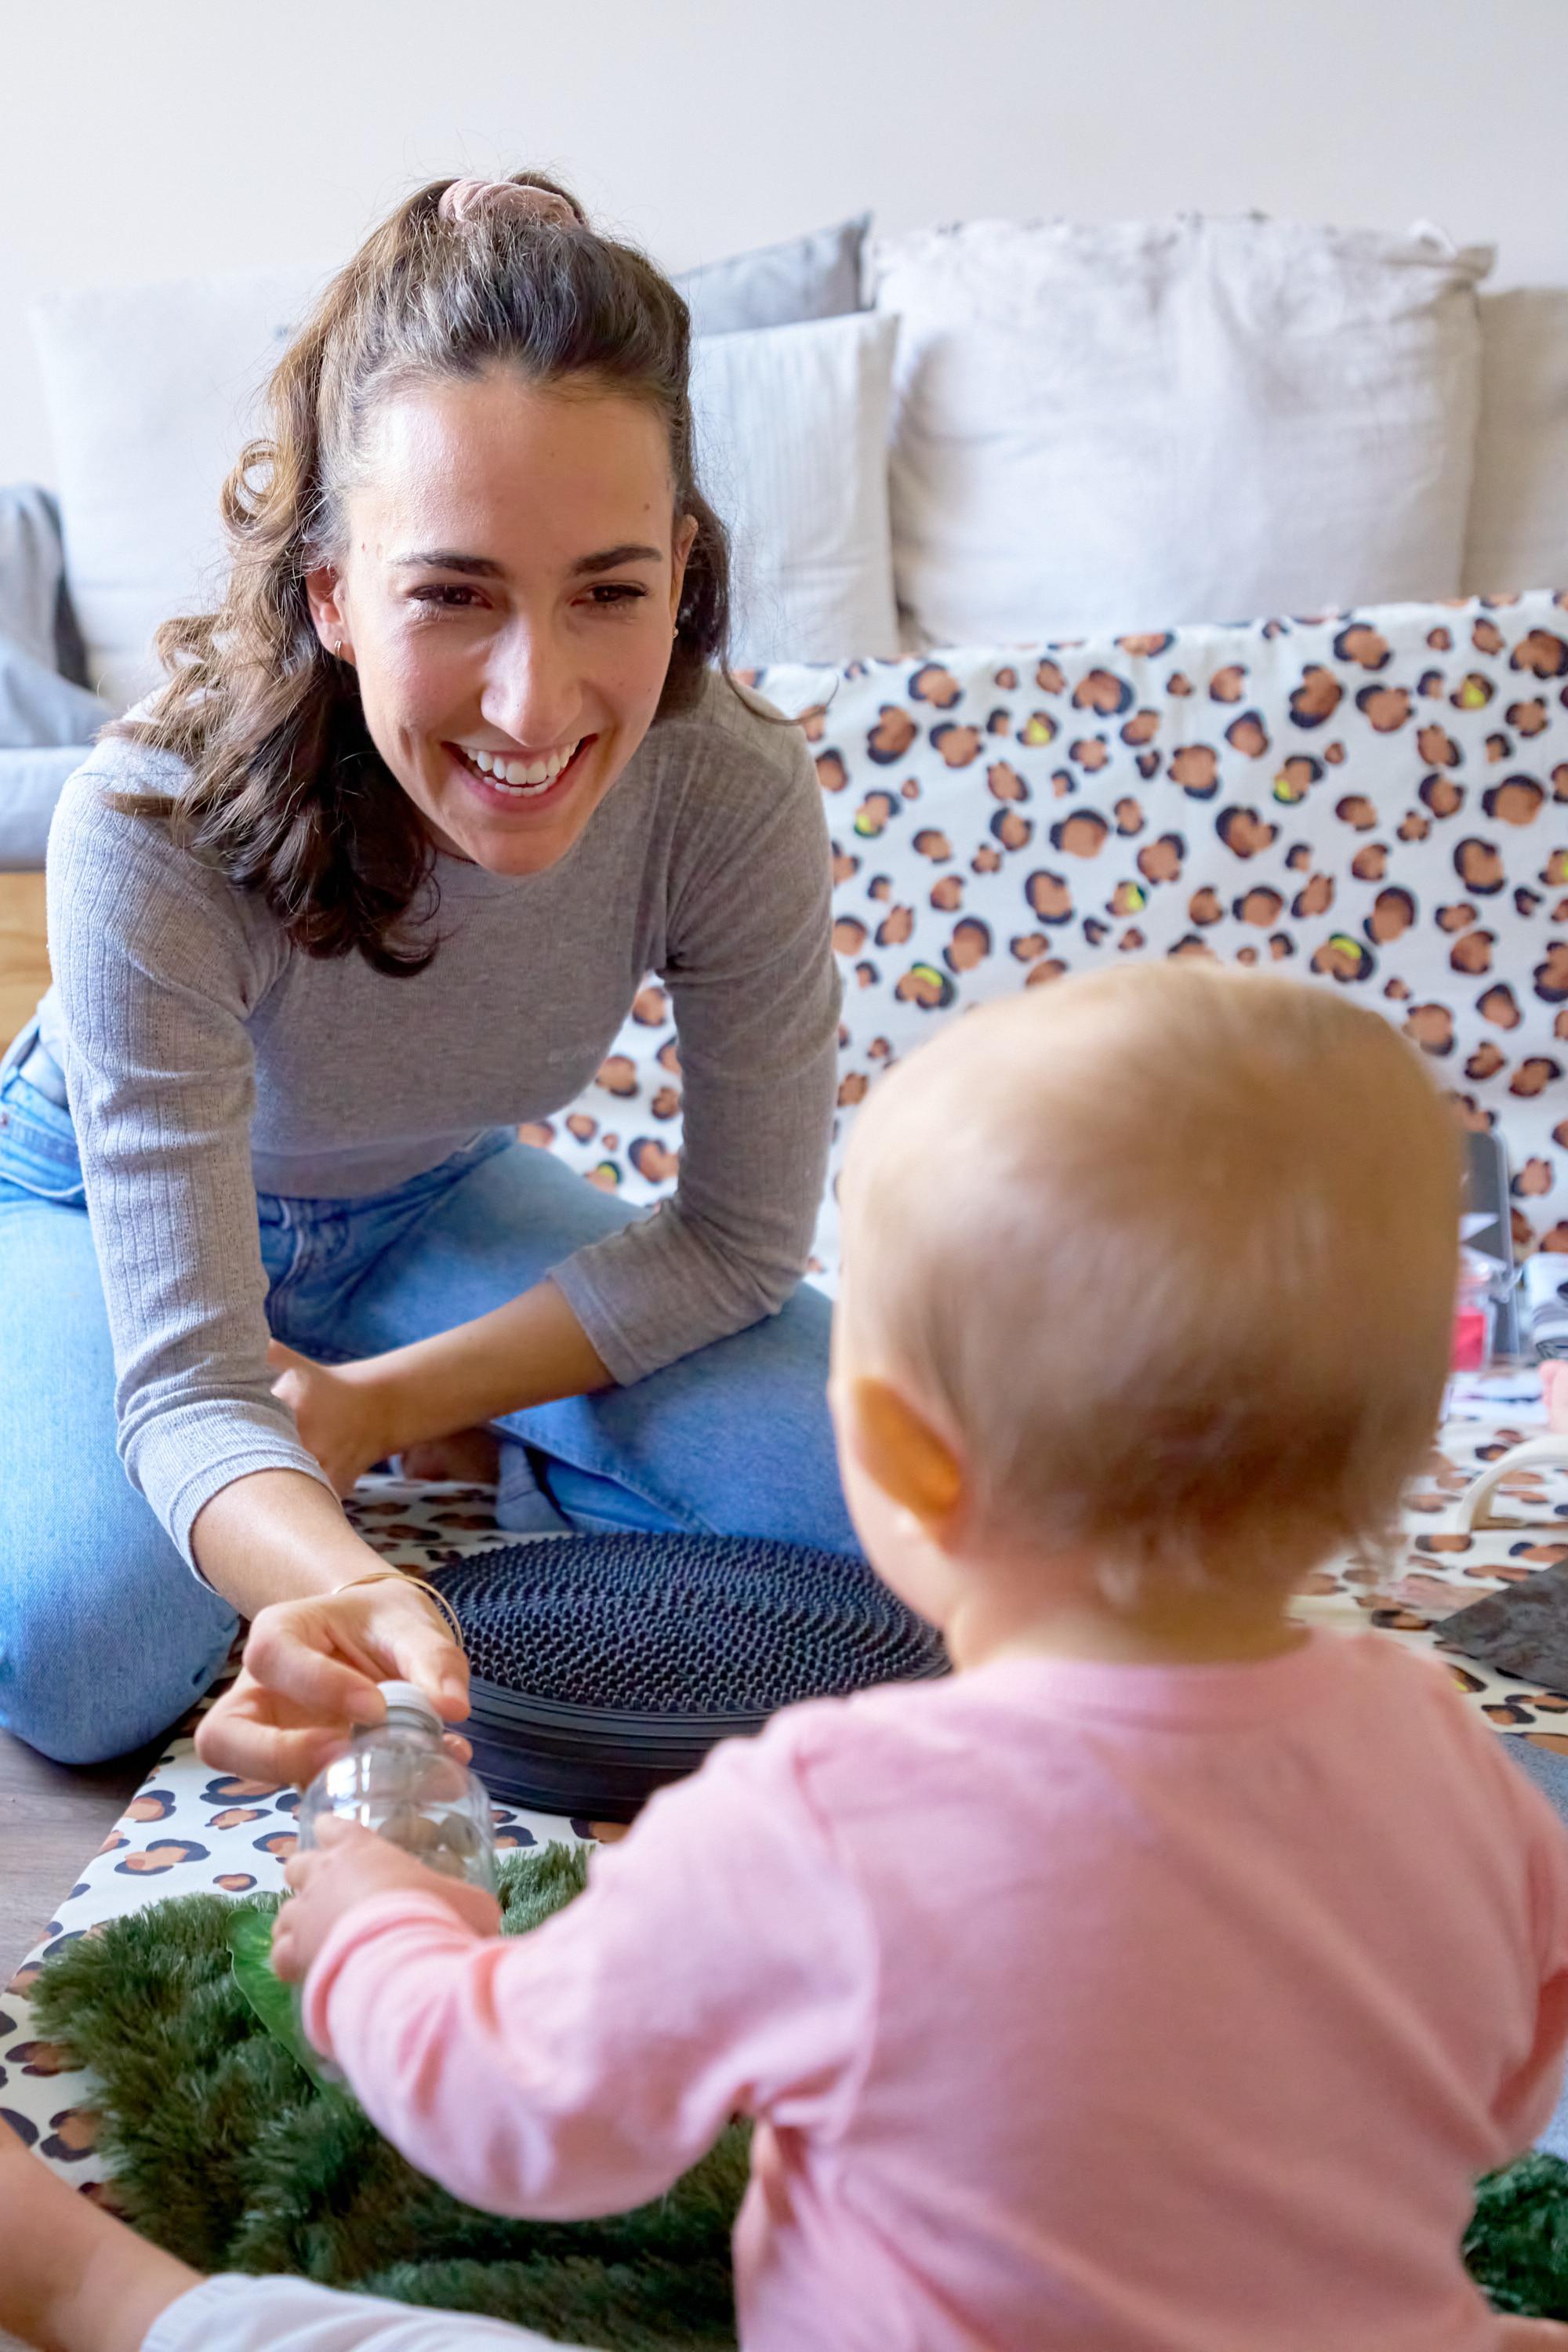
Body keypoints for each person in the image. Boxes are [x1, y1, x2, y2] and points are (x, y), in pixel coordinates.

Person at [7, 962, 1568, 2352]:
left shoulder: (827, 1816)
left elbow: (523, 2116)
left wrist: (386, 1931)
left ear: (899, 1451)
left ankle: (99, 2295)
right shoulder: (1449, 1760)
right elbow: (1502, 2089)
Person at [0, 171, 854, 1777]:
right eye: (453, 594)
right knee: (87, 1659)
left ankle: (479, 1431)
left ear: (682, 572)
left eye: (609, 590)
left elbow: (740, 1243)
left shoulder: (729, 787)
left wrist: (376, 1407)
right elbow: (191, 1385)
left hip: (425, 1199)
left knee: (873, 1502)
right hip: (76, 1208)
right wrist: (352, 1585)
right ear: (331, 591)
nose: (534, 706)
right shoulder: (147, 823)